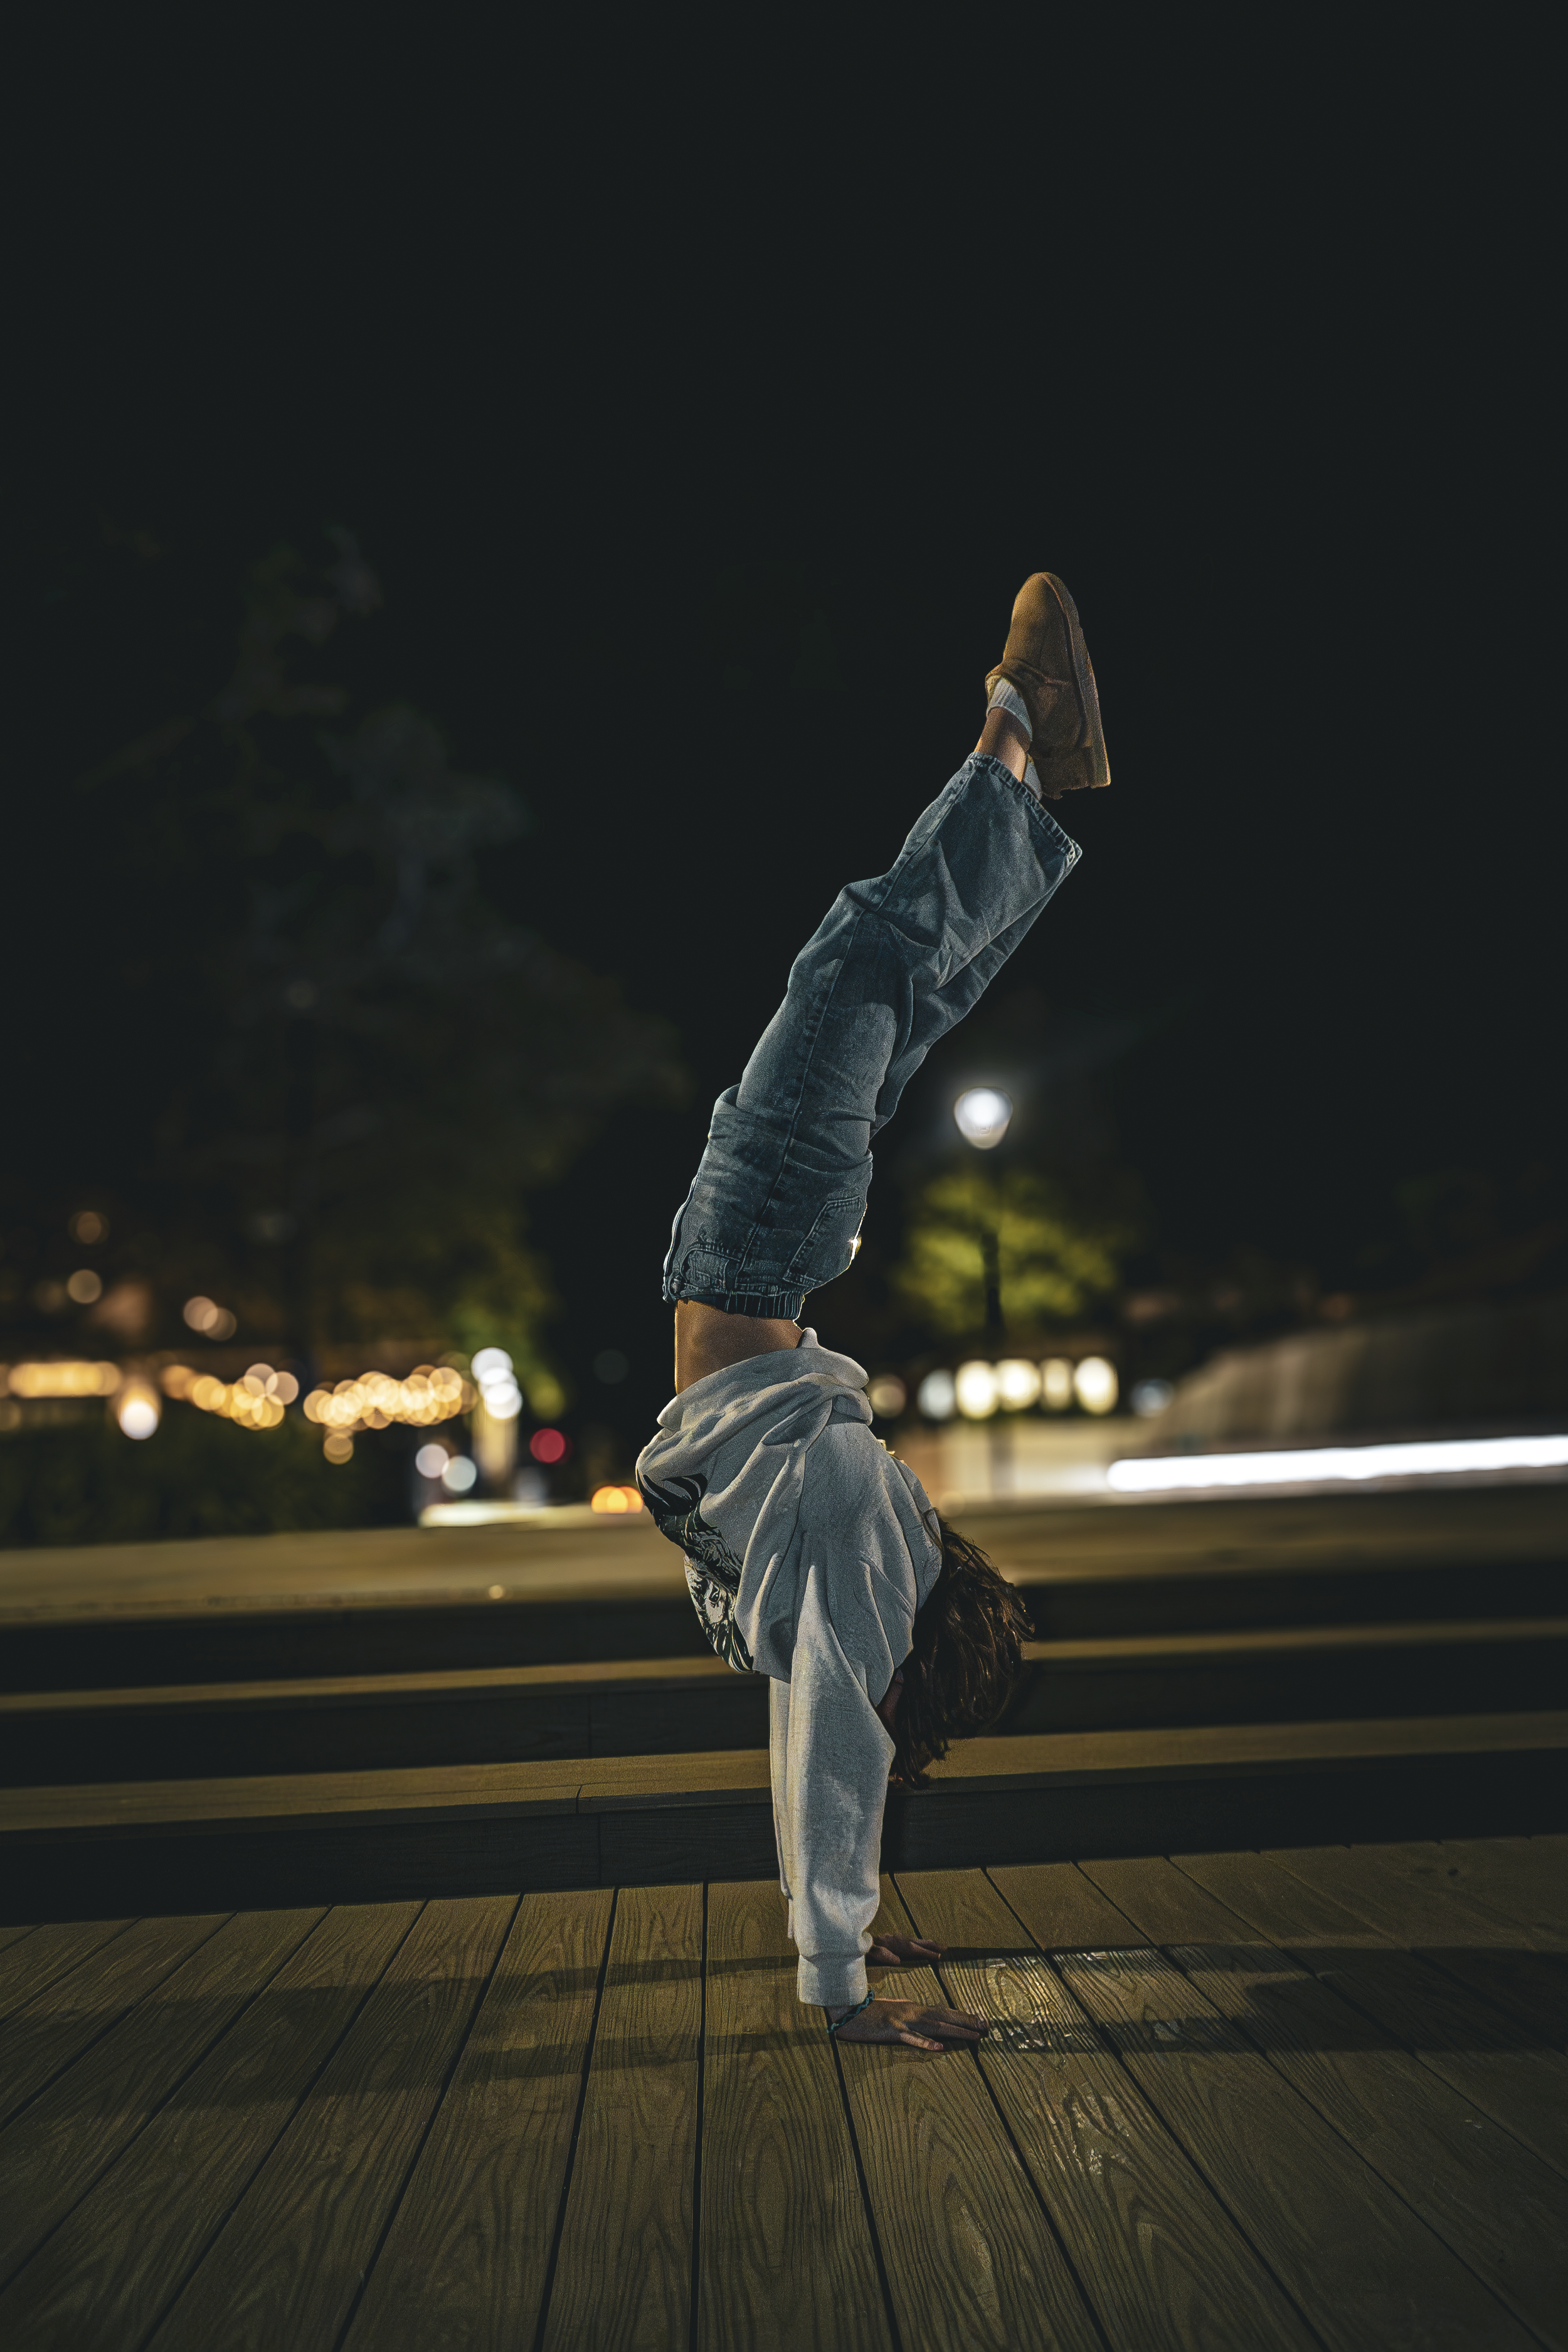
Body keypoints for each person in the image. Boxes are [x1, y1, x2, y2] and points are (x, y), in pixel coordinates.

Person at [637, 574, 1109, 2050]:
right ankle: (1026, 749)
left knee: (873, 967)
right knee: (879, 978)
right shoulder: (850, 1558)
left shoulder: (853, 1540)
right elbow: (821, 1732)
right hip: (760, 1264)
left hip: (759, 1251)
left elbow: (830, 1735)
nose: (939, 1530)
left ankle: (1025, 739)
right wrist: (832, 1937)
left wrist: (834, 1991)